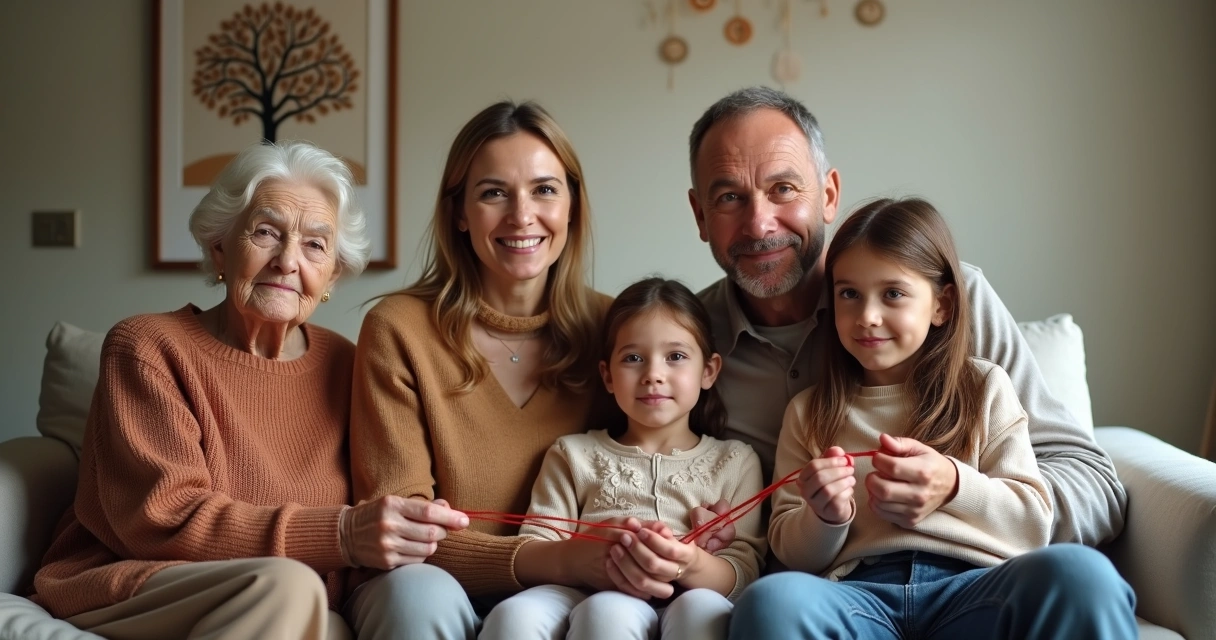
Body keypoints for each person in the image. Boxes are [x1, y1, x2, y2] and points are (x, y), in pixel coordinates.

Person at [30, 141, 421, 639]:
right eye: (266, 232)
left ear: (332, 275)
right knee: (289, 588)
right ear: (220, 245)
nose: (287, 261)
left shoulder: (347, 364)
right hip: (137, 578)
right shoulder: (147, 347)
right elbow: (159, 519)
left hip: (285, 595)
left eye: (315, 245)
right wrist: (341, 534)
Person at [731, 197, 1135, 638]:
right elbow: (790, 550)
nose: (867, 316)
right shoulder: (809, 412)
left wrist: (955, 485)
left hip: (976, 588)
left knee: (1082, 575)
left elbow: (1033, 525)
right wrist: (825, 518)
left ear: (941, 305)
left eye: (893, 294)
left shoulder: (984, 389)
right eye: (849, 294)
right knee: (770, 602)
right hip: (860, 597)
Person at [346, 100, 620, 639]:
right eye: (494, 192)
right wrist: (560, 558)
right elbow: (406, 535)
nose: (522, 215)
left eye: (545, 189)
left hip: (568, 599)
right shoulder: (399, 329)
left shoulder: (616, 329)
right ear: (459, 213)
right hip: (429, 590)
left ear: (572, 207)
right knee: (417, 592)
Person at [481, 277, 766, 640]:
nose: (653, 375)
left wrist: (690, 562)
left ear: (708, 371)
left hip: (690, 593)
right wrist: (587, 552)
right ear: (608, 375)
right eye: (633, 358)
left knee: (701, 612)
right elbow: (537, 543)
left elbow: (742, 572)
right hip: (578, 590)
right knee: (514, 616)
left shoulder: (736, 462)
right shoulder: (573, 455)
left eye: (675, 357)